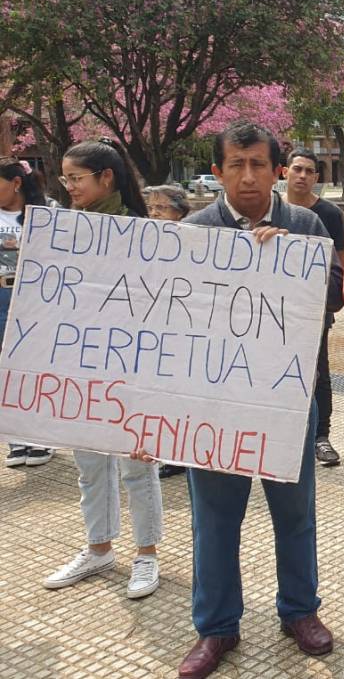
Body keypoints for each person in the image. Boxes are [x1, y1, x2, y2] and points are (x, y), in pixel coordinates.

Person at [175, 122, 343, 679]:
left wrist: (293, 261)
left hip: (288, 399)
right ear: (218, 171)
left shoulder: (305, 223)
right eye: (235, 164)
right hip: (217, 404)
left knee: (295, 514)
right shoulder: (194, 232)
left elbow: (336, 298)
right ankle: (216, 627)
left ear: (277, 170)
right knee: (214, 519)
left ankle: (300, 611)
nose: (248, 176)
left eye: (258, 164)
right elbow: (174, 322)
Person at [41, 140, 163, 600]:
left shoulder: (146, 233)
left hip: (133, 367)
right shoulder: (62, 230)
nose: (68, 186)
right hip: (80, 366)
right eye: (65, 179)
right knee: (89, 464)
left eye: (76, 178)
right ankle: (99, 547)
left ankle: (146, 554)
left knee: (137, 463)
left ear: (105, 178)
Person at [284, 147, 344, 468]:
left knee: (317, 372)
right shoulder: (271, 212)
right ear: (284, 173)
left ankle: (321, 437)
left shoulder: (331, 215)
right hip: (273, 312)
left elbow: (341, 268)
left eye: (309, 171)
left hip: (315, 312)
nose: (302, 176)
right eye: (297, 169)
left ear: (317, 178)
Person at [1, 158, 54, 468]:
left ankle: (41, 439)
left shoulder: (46, 211)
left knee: (33, 370)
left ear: (16, 183)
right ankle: (17, 440)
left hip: (33, 299)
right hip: (1, 296)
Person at [141, 184, 194, 479]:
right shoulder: (145, 241)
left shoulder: (198, 241)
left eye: (160, 208)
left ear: (179, 210)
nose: (154, 214)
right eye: (151, 208)